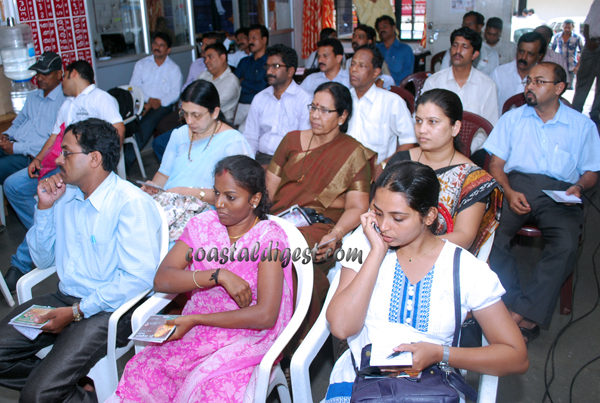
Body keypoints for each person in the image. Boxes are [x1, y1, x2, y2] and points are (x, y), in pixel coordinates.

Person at [323, 160, 528, 403]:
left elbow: (516, 357)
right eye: (377, 212)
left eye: (398, 218)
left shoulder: (462, 267)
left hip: (430, 388)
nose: (383, 226)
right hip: (359, 383)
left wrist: (441, 354)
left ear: (429, 215)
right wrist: (376, 254)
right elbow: (342, 328)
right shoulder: (364, 244)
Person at [0, 118, 162, 402]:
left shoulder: (130, 203)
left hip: (108, 311)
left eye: (66, 152)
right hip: (64, 299)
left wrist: (77, 311)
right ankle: (68, 390)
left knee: (36, 396)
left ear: (94, 158)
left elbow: (138, 279)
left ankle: (51, 389)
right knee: (33, 386)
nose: (58, 159)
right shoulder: (65, 195)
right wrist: (44, 208)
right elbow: (42, 259)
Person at [109, 155, 294, 402]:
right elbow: (162, 279)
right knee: (144, 372)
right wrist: (218, 276)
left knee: (211, 393)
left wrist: (195, 319)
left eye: (230, 197)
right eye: (217, 193)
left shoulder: (268, 239)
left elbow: (265, 316)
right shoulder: (203, 225)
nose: (219, 203)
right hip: (195, 332)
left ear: (254, 199)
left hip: (244, 337)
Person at [484, 62, 600, 342]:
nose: (530, 86)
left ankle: (519, 314)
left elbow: (591, 172)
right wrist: (508, 191)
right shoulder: (513, 119)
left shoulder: (581, 125)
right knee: (489, 233)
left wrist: (578, 187)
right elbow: (496, 165)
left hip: (561, 193)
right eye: (528, 81)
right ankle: (512, 303)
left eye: (538, 81)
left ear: (559, 88)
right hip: (517, 186)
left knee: (566, 243)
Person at [267, 82, 374, 354]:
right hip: (278, 219)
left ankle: (292, 342)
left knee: (284, 255)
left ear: (342, 116)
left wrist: (336, 234)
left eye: (325, 110)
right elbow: (268, 191)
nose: (315, 115)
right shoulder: (291, 140)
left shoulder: (353, 154)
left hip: (320, 227)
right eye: (313, 107)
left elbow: (357, 206)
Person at [3, 60, 125, 292]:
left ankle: (22, 262)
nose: (62, 83)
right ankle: (51, 235)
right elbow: (53, 138)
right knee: (18, 187)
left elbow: (118, 131)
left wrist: (103, 166)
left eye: (64, 77)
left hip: (88, 167)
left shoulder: (100, 98)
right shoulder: (67, 104)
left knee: (55, 201)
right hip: (64, 164)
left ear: (74, 74)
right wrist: (39, 159)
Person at [386, 89, 502, 254]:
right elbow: (378, 212)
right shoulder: (401, 162)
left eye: (432, 122)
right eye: (418, 121)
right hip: (390, 247)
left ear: (455, 127)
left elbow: (464, 237)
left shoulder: (472, 178)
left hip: (443, 255)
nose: (422, 129)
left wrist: (414, 244)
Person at [142, 80, 253, 207]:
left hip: (207, 212)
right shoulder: (179, 134)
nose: (189, 121)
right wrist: (154, 188)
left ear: (215, 112)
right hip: (170, 204)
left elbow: (236, 194)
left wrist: (192, 193)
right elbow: (163, 174)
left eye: (196, 115)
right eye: (185, 113)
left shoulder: (233, 142)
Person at [152, 43, 242, 161]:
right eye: (205, 58)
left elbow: (210, 105)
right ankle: (179, 166)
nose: (206, 61)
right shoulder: (205, 75)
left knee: (164, 143)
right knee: (160, 138)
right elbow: (191, 93)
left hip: (214, 125)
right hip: (194, 120)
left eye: (210, 57)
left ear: (222, 57)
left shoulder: (231, 81)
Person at [422, 27, 499, 164]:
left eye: (464, 47)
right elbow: (422, 119)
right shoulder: (434, 82)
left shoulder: (487, 86)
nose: (458, 51)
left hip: (474, 152)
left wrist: (467, 148)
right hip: (437, 148)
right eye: (455, 46)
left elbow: (489, 127)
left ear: (475, 54)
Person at [0, 51, 66, 185]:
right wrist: (6, 135)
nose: (40, 78)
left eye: (45, 74)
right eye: (38, 73)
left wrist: (15, 148)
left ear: (59, 74)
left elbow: (52, 141)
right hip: (14, 144)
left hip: (32, 157)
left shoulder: (64, 102)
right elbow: (18, 123)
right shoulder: (32, 96)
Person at [347, 45, 416, 164]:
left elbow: (410, 141)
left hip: (378, 170)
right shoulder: (343, 98)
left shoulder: (391, 102)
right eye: (353, 64)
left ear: (376, 72)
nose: (354, 69)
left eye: (361, 65)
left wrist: (385, 165)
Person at [243, 44, 311, 165]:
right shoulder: (260, 98)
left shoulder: (305, 100)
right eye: (268, 66)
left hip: (290, 161)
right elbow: (250, 137)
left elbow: (305, 142)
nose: (269, 71)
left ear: (290, 71)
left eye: (276, 66)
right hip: (261, 158)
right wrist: (248, 165)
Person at [127, 31, 183, 167]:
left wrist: (155, 103)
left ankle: (126, 161)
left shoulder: (174, 69)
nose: (157, 47)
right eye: (155, 44)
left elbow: (175, 94)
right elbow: (133, 87)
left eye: (161, 45)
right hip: (141, 101)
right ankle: (118, 156)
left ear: (168, 50)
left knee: (148, 122)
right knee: (128, 120)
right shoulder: (141, 64)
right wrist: (148, 100)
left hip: (163, 106)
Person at [491, 32, 546, 116]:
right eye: (521, 51)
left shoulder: (545, 79)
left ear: (539, 56)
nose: (523, 57)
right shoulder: (499, 73)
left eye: (530, 54)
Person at [440, 11, 499, 77]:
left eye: (471, 24)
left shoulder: (490, 52)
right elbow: (443, 73)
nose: (467, 27)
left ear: (479, 27)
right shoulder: (453, 51)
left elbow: (494, 78)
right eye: (465, 24)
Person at [234, 24, 269, 131]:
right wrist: (252, 85)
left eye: (254, 38)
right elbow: (234, 83)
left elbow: (263, 87)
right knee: (221, 126)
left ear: (264, 40)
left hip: (258, 107)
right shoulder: (244, 62)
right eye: (249, 38)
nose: (250, 41)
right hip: (239, 104)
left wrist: (243, 82)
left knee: (243, 129)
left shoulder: (269, 63)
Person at [573, 0, 600, 125]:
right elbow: (587, 23)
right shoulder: (597, 3)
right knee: (583, 81)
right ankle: (575, 112)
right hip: (592, 45)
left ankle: (595, 113)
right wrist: (588, 41)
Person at [345, 24, 394, 88]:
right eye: (354, 36)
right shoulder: (348, 61)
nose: (355, 40)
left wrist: (382, 80)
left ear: (369, 41)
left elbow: (389, 80)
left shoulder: (376, 60)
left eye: (360, 37)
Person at [375, 15, 413, 85]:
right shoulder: (376, 49)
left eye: (385, 26)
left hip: (398, 87)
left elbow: (407, 73)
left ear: (393, 28)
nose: (382, 30)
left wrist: (395, 88)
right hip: (378, 87)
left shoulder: (405, 49)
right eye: (379, 29)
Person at [551, 19, 584, 88]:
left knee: (569, 86)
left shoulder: (577, 37)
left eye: (569, 28)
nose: (567, 29)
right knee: (559, 85)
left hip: (571, 66)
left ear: (573, 27)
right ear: (563, 27)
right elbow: (552, 51)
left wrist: (578, 66)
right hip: (560, 65)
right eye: (565, 27)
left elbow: (583, 52)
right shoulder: (557, 37)